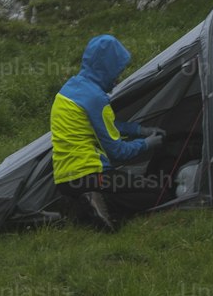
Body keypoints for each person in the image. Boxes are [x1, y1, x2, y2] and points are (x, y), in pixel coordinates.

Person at [50, 34, 163, 231]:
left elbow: (104, 124)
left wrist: (140, 130)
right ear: (105, 69)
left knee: (130, 185)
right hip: (91, 175)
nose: (118, 78)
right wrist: (147, 144)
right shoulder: (96, 98)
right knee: (156, 192)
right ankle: (98, 205)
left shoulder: (69, 89)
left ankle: (78, 205)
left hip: (64, 180)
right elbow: (117, 152)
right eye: (116, 71)